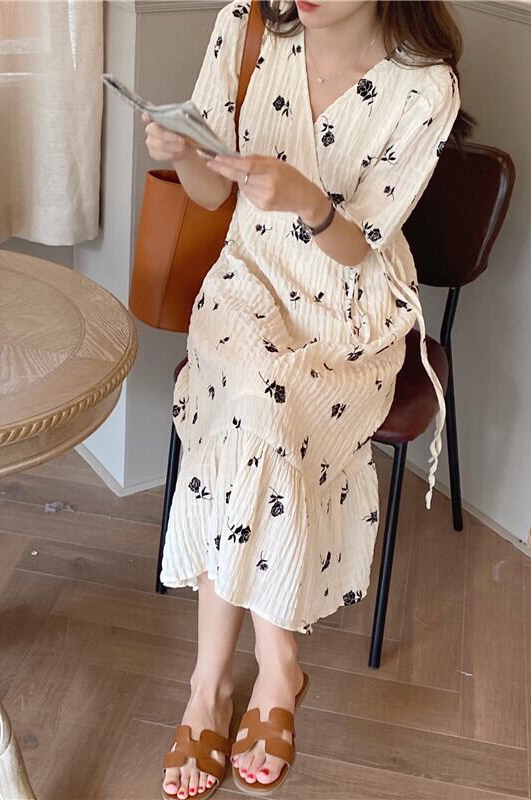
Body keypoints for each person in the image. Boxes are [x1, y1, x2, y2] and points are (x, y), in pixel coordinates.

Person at [143, 2, 472, 797]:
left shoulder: (426, 88)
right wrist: (184, 154)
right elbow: (211, 196)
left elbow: (359, 247)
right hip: (245, 284)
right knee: (254, 399)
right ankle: (270, 667)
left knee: (264, 410)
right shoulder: (246, 23)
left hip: (348, 310)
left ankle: (213, 686)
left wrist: (308, 201)